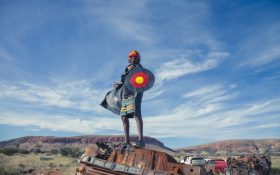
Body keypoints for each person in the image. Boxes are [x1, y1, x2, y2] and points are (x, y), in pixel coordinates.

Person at [113, 50, 145, 148]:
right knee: (124, 116)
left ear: (138, 58)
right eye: (131, 57)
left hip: (135, 92)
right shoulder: (128, 68)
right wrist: (119, 84)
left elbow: (140, 80)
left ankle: (141, 140)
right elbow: (125, 81)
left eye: (135, 57)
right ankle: (127, 141)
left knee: (136, 113)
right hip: (125, 93)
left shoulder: (140, 68)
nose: (133, 58)